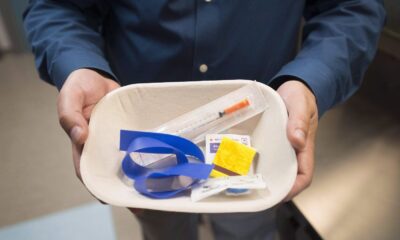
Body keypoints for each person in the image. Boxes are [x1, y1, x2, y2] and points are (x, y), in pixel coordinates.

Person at [23, 0, 385, 239]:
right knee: (163, 228)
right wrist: (79, 65)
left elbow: (351, 8)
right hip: (147, 145)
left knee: (248, 227)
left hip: (256, 140)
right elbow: (58, 7)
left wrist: (309, 81)